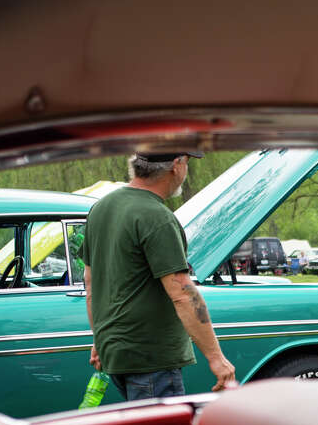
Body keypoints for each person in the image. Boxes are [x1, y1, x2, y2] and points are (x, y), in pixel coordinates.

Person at [84, 150, 236, 400]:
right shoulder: (157, 217)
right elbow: (182, 294)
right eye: (187, 162)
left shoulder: (100, 208)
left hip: (116, 353)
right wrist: (217, 359)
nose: (186, 170)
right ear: (176, 165)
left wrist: (100, 338)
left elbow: (91, 284)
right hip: (151, 359)